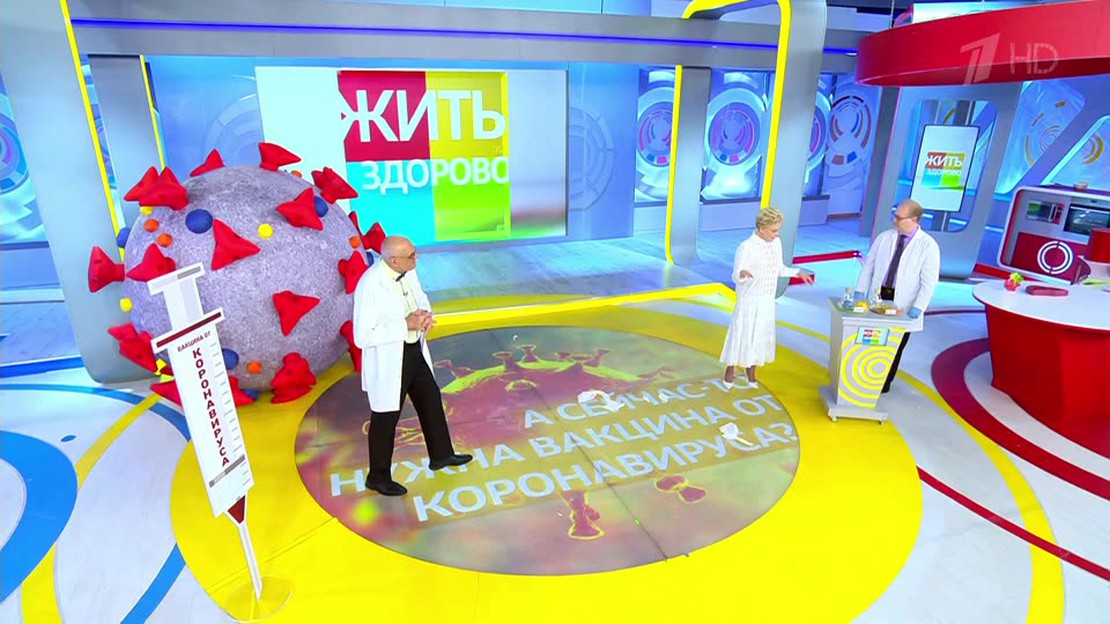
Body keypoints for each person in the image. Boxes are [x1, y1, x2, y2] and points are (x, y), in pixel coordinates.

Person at [352, 235, 472, 496]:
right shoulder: (370, 285)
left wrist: (425, 315)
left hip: (414, 349)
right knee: (386, 417)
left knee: (430, 399)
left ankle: (441, 454)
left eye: (415, 252)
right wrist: (405, 325)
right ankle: (378, 477)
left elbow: (420, 297)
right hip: (390, 358)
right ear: (394, 261)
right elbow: (362, 337)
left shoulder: (408, 271)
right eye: (411, 256)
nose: (417, 257)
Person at [854, 199, 940, 393]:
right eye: (895, 216)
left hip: (904, 305)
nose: (895, 221)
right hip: (878, 299)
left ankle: (883, 383)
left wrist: (918, 307)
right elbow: (869, 267)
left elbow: (929, 282)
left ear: (914, 220)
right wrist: (860, 291)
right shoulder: (884, 238)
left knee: (894, 345)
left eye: (900, 218)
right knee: (872, 339)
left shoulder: (928, 246)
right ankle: (864, 377)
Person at [720, 207, 814, 387]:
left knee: (760, 335)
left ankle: (752, 371)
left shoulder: (776, 244)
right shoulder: (746, 247)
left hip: (767, 300)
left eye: (778, 230)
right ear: (762, 228)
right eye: (773, 231)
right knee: (742, 334)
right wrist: (742, 274)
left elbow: (780, 269)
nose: (777, 234)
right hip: (749, 301)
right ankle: (730, 370)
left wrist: (797, 272)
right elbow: (736, 275)